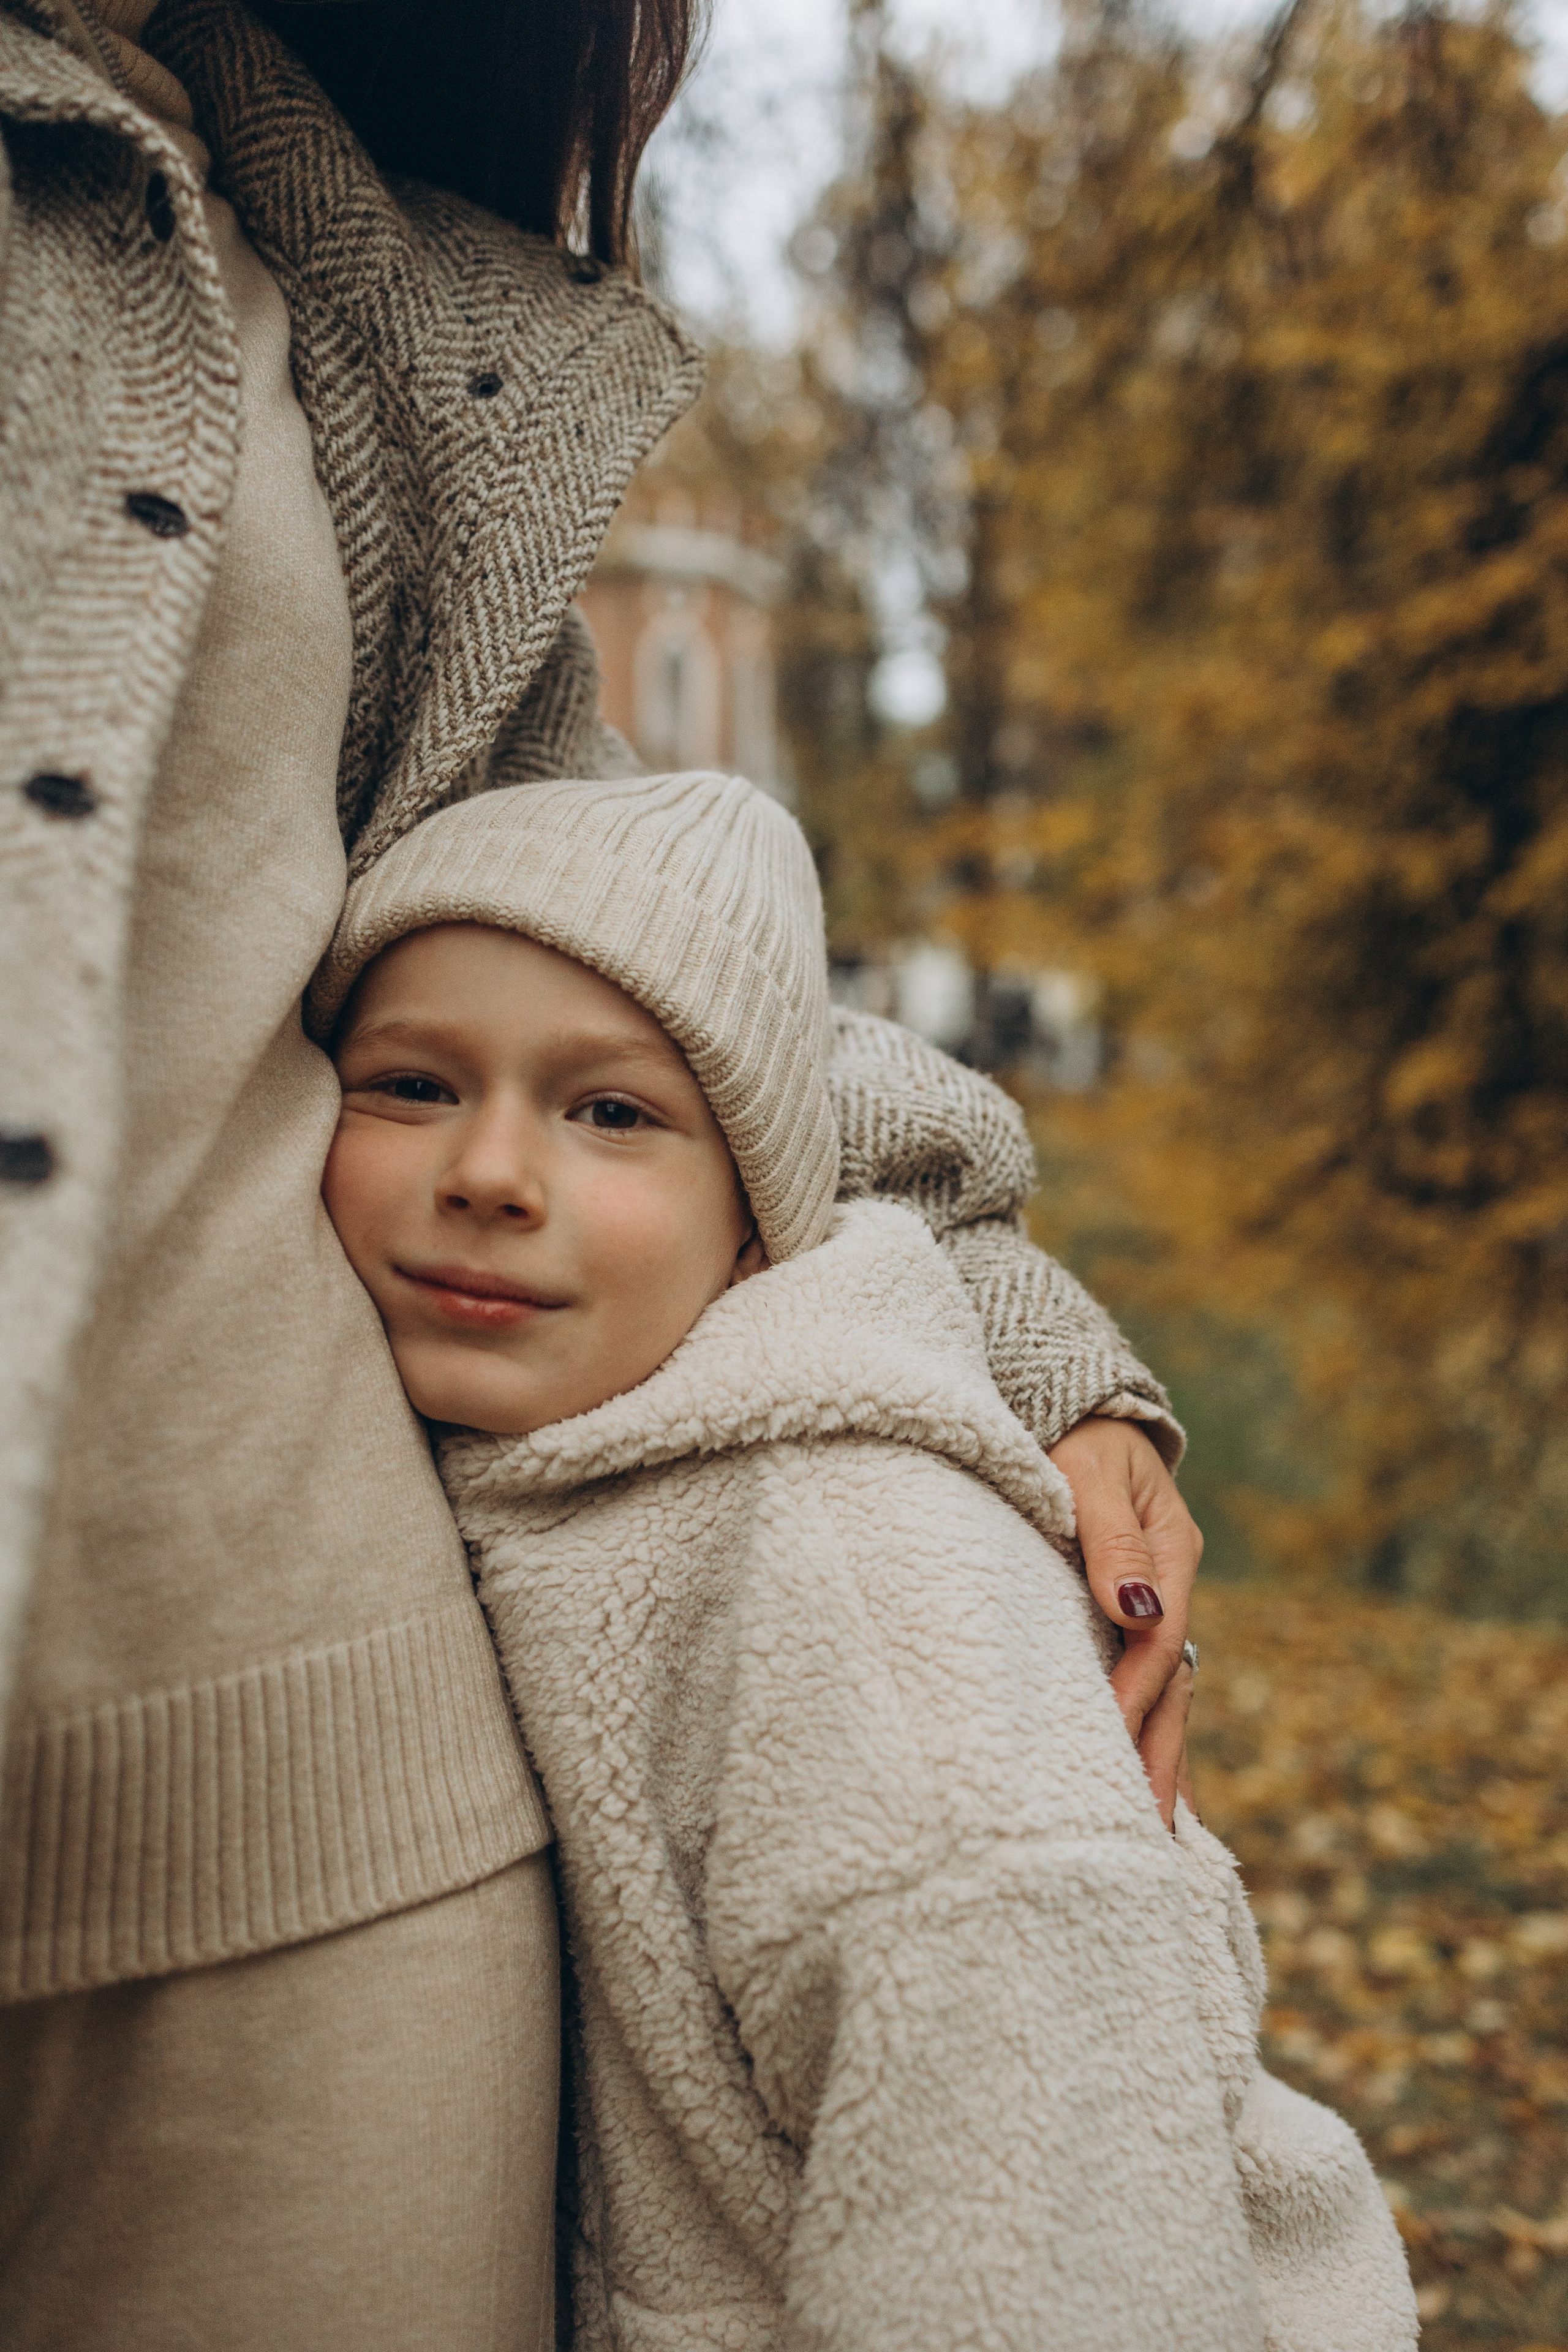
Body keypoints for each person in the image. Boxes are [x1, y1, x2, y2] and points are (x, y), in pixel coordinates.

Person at [1, 1, 1199, 2342]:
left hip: (315, 1838)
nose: (499, 1169)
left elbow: (653, 953)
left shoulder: (324, 287)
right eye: (427, 1109)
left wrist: (1052, 1361)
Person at [312, 767, 1419, 2352]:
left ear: (760, 1221)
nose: (490, 1171)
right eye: (411, 1084)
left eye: (613, 1112)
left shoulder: (863, 1601)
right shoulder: (568, 1451)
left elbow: (1047, 2241)